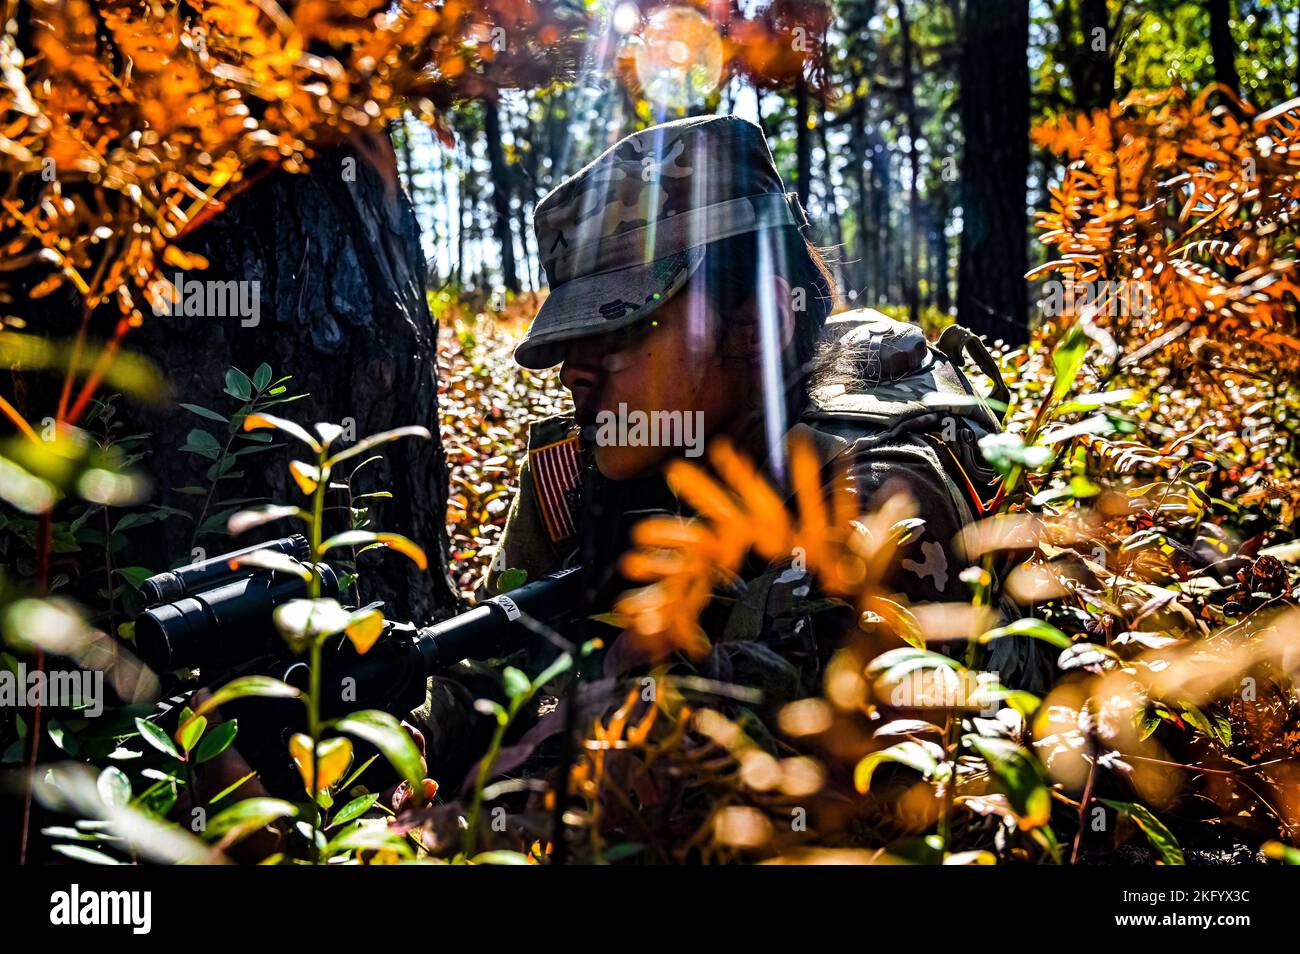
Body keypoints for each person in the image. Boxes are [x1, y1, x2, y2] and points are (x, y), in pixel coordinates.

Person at [409, 114, 1044, 783]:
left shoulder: (876, 502)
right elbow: (490, 662)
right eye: (568, 337)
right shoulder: (594, 461)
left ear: (756, 324)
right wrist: (407, 736)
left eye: (623, 324)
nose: (575, 369)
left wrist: (492, 811)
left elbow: (762, 792)